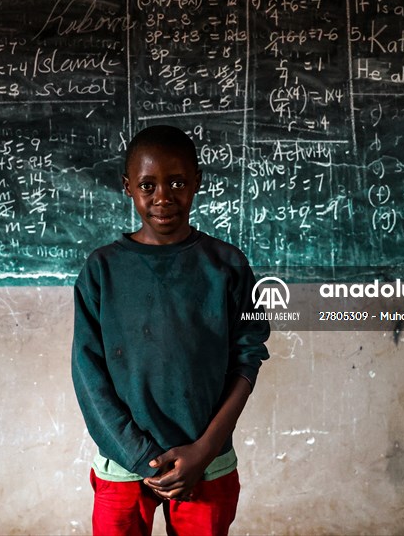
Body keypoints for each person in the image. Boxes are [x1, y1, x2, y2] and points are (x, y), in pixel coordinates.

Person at [71, 125, 270, 536]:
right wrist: (141, 457)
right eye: (148, 185)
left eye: (177, 182)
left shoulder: (228, 266)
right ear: (127, 186)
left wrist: (205, 449)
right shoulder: (102, 270)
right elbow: (89, 376)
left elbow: (247, 359)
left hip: (206, 460)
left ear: (197, 181)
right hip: (123, 462)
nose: (163, 197)